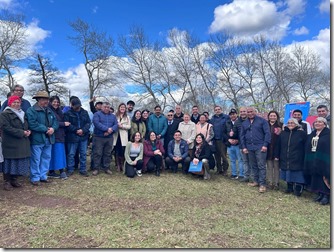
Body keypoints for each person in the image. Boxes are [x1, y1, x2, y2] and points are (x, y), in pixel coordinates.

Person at [26, 91, 59, 185]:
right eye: (44, 99)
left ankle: (43, 176)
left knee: (46, 158)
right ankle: (35, 178)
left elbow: (55, 122)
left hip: (49, 139)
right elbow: (32, 124)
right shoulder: (31, 110)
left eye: (47, 99)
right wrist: (46, 129)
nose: (46, 101)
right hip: (37, 139)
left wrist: (53, 128)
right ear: (39, 99)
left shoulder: (49, 110)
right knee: (36, 159)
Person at [0, 96, 31, 190]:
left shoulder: (22, 113)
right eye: (14, 102)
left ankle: (14, 180)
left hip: (21, 141)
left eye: (18, 102)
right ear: (10, 103)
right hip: (10, 142)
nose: (16, 104)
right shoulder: (5, 114)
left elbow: (25, 125)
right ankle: (7, 182)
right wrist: (22, 133)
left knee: (18, 161)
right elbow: (6, 128)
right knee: (9, 162)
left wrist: (28, 131)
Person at [240, 107, 271, 193]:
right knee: (253, 165)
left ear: (255, 112)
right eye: (248, 112)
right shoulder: (245, 123)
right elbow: (242, 136)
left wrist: (265, 145)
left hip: (260, 147)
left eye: (251, 112)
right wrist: (244, 147)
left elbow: (267, 133)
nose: (250, 113)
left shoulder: (262, 121)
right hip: (249, 147)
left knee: (261, 166)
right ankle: (256, 181)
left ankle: (262, 184)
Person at [274, 118, 307, 196]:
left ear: (296, 124)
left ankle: (298, 189)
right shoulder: (283, 133)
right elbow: (278, 145)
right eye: (289, 123)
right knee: (287, 172)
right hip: (285, 156)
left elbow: (306, 145)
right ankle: (289, 187)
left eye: (292, 123)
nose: (290, 124)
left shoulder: (301, 133)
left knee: (298, 173)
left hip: (297, 156)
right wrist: (276, 155)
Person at [304, 117, 330, 205]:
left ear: (324, 124)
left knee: (324, 175)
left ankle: (326, 195)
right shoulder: (313, 133)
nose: (317, 123)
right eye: (316, 122)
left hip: (324, 158)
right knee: (316, 175)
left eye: (320, 122)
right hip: (313, 157)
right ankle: (320, 193)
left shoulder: (328, 134)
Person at [63, 97, 91, 177]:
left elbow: (88, 123)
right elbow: (67, 125)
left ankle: (83, 169)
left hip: (83, 136)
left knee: (83, 154)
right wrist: (76, 130)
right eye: (75, 106)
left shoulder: (84, 112)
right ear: (71, 105)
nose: (77, 108)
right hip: (72, 137)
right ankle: (70, 169)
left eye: (78, 106)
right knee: (71, 154)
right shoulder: (67, 113)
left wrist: (83, 130)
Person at [92, 102, 118, 176]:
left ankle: (106, 168)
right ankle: (96, 168)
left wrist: (110, 130)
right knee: (98, 153)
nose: (106, 108)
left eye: (108, 107)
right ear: (102, 107)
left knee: (107, 153)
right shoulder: (97, 114)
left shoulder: (113, 116)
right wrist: (106, 129)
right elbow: (96, 123)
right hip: (99, 137)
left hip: (109, 137)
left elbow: (116, 125)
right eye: (105, 107)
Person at [48, 96, 70, 180]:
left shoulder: (59, 111)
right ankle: (59, 171)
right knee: (56, 153)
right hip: (53, 135)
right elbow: (52, 122)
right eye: (54, 102)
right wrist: (63, 124)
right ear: (50, 102)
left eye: (57, 102)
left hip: (60, 135)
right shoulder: (49, 111)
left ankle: (54, 171)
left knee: (59, 153)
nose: (56, 103)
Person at [222, 109, 244, 180]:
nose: (232, 115)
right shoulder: (227, 123)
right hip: (230, 144)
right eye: (231, 114)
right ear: (229, 115)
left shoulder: (241, 122)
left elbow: (242, 133)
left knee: (240, 160)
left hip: (238, 144)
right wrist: (228, 139)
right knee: (232, 160)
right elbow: (224, 133)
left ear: (237, 114)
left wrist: (237, 140)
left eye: (234, 114)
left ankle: (241, 175)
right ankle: (234, 174)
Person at [210, 105, 230, 176]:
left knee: (223, 156)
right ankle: (219, 169)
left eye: (219, 109)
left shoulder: (226, 117)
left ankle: (225, 170)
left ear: (221, 110)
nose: (217, 111)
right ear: (214, 111)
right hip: (215, 140)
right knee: (217, 156)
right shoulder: (212, 119)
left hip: (222, 140)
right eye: (216, 110)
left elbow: (228, 128)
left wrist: (227, 138)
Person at [266, 110, 283, 190]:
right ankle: (270, 182)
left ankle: (276, 183)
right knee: (269, 167)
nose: (272, 117)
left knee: (276, 167)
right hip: (268, 149)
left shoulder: (281, 125)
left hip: (277, 149)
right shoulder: (265, 125)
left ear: (277, 117)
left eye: (274, 116)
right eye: (271, 116)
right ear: (268, 117)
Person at [113, 103, 131, 172]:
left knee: (122, 150)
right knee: (116, 150)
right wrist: (117, 125)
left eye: (124, 107)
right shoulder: (115, 116)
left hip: (123, 135)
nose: (122, 108)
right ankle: (117, 165)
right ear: (119, 108)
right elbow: (112, 124)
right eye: (121, 107)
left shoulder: (127, 117)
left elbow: (129, 126)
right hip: (116, 135)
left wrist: (122, 126)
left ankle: (122, 164)